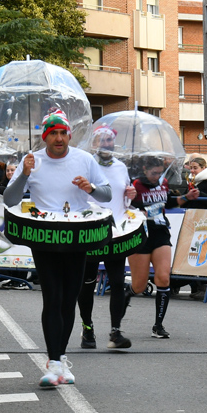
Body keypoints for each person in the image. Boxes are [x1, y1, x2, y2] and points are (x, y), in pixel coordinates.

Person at [1, 111, 114, 387]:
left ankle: (61, 359)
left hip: (76, 237)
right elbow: (10, 199)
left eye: (63, 133)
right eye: (53, 133)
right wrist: (24, 174)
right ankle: (53, 363)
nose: (59, 138)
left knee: (68, 300)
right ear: (45, 137)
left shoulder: (84, 159)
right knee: (52, 297)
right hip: (46, 238)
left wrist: (90, 188)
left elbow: (107, 194)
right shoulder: (32, 161)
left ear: (69, 135)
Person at [129, 154, 200, 338]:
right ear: (144, 170)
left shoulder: (164, 183)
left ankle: (158, 326)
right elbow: (125, 208)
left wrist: (187, 197)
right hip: (141, 234)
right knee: (138, 286)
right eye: (153, 173)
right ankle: (120, 309)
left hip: (160, 233)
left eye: (160, 173)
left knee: (163, 278)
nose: (157, 177)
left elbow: (168, 202)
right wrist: (137, 211)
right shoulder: (135, 185)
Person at [77, 126, 134, 351]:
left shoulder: (121, 167)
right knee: (87, 283)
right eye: (101, 140)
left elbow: (123, 200)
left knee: (118, 282)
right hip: (91, 231)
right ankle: (87, 328)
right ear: (94, 143)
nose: (106, 144)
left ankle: (115, 332)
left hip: (116, 232)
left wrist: (130, 195)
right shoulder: (87, 165)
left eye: (109, 140)